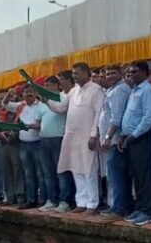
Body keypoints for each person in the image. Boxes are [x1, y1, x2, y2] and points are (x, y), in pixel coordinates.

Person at [48, 63, 104, 214]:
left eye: (77, 73)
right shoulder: (73, 91)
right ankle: (81, 202)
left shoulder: (96, 89)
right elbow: (61, 108)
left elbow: (99, 113)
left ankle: (92, 204)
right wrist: (46, 100)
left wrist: (94, 134)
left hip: (88, 137)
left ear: (87, 73)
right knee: (76, 169)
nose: (74, 76)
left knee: (89, 169)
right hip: (72, 137)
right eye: (73, 74)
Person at [119, 60, 151, 226]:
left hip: (141, 139)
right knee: (136, 176)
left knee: (145, 176)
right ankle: (140, 207)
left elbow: (149, 117)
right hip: (130, 139)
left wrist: (133, 135)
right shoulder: (134, 90)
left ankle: (149, 210)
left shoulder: (147, 90)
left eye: (135, 72)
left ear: (144, 73)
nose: (131, 75)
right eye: (129, 72)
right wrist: (123, 136)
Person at [99, 64, 133, 220]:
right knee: (118, 175)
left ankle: (118, 209)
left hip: (115, 140)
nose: (110, 76)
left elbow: (116, 118)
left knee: (116, 176)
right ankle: (120, 207)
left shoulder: (119, 90)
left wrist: (107, 137)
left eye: (113, 73)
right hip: (113, 140)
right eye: (107, 73)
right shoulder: (112, 90)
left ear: (121, 74)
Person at [2, 85, 44, 209]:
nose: (28, 94)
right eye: (26, 92)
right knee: (28, 174)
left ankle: (42, 199)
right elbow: (4, 104)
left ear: (36, 93)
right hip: (24, 144)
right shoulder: (20, 106)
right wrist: (9, 94)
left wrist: (29, 126)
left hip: (37, 143)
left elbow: (41, 123)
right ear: (23, 94)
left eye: (31, 91)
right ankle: (30, 200)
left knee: (40, 173)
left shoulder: (41, 105)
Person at [38, 76, 71, 213]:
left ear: (57, 85)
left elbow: (61, 110)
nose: (46, 87)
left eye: (49, 84)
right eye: (45, 85)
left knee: (61, 171)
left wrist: (47, 101)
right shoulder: (41, 104)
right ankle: (52, 200)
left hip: (58, 138)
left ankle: (65, 201)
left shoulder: (63, 97)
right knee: (48, 172)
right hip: (44, 139)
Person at [0, 89, 24, 206]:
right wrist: (0, 134)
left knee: (17, 170)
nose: (6, 99)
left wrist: (12, 135)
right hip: (3, 144)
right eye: (2, 97)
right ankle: (10, 196)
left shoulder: (18, 110)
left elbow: (21, 124)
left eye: (7, 97)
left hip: (15, 144)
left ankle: (20, 196)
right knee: (6, 171)